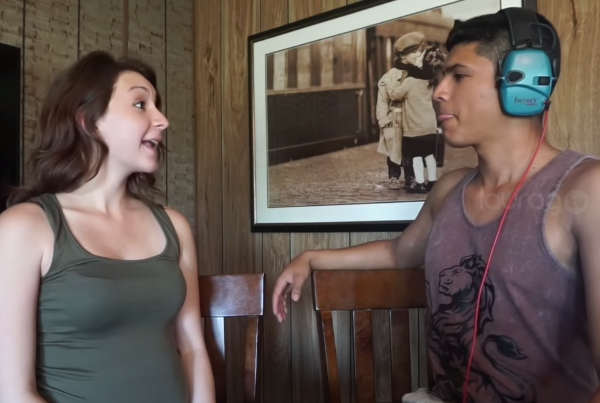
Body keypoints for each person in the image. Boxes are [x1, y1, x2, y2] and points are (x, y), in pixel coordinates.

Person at [273, 8, 600, 403]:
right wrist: (310, 258)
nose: (438, 91)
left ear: (522, 80)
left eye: (458, 76)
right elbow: (399, 253)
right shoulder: (448, 189)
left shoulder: (587, 188)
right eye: (442, 76)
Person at [0, 51, 215, 403]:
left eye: (157, 106)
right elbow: (14, 392)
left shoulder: (175, 227)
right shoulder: (24, 227)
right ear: (89, 121)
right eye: (140, 104)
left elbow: (192, 348)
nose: (163, 120)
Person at [388, 42, 447, 193]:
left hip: (414, 128)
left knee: (416, 157)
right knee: (429, 155)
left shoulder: (410, 82)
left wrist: (391, 85)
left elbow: (395, 95)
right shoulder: (429, 82)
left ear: (422, 64)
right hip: (429, 126)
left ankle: (420, 183)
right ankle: (432, 181)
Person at [376, 32, 426, 190]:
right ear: (403, 55)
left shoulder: (419, 74)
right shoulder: (390, 76)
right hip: (395, 119)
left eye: (419, 51)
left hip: (412, 118)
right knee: (393, 148)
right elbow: (382, 99)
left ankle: (411, 177)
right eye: (414, 51)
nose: (418, 54)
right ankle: (393, 176)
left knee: (411, 149)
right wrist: (383, 120)